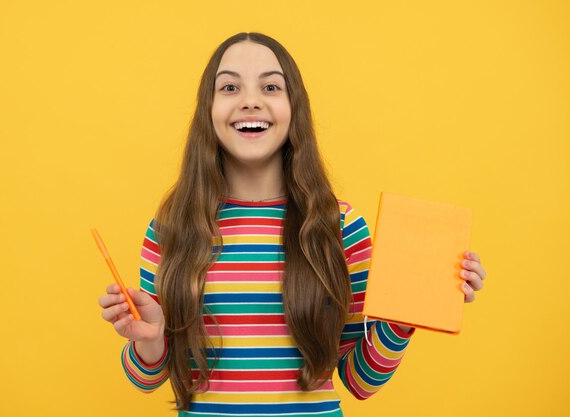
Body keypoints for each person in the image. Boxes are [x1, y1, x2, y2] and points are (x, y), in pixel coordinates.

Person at [98, 32, 486, 417]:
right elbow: (146, 377)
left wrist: (407, 314)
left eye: (271, 86)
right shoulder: (171, 228)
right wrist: (147, 342)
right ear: (208, 109)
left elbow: (360, 381)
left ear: (293, 107)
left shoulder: (341, 226)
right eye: (230, 87)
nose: (251, 101)